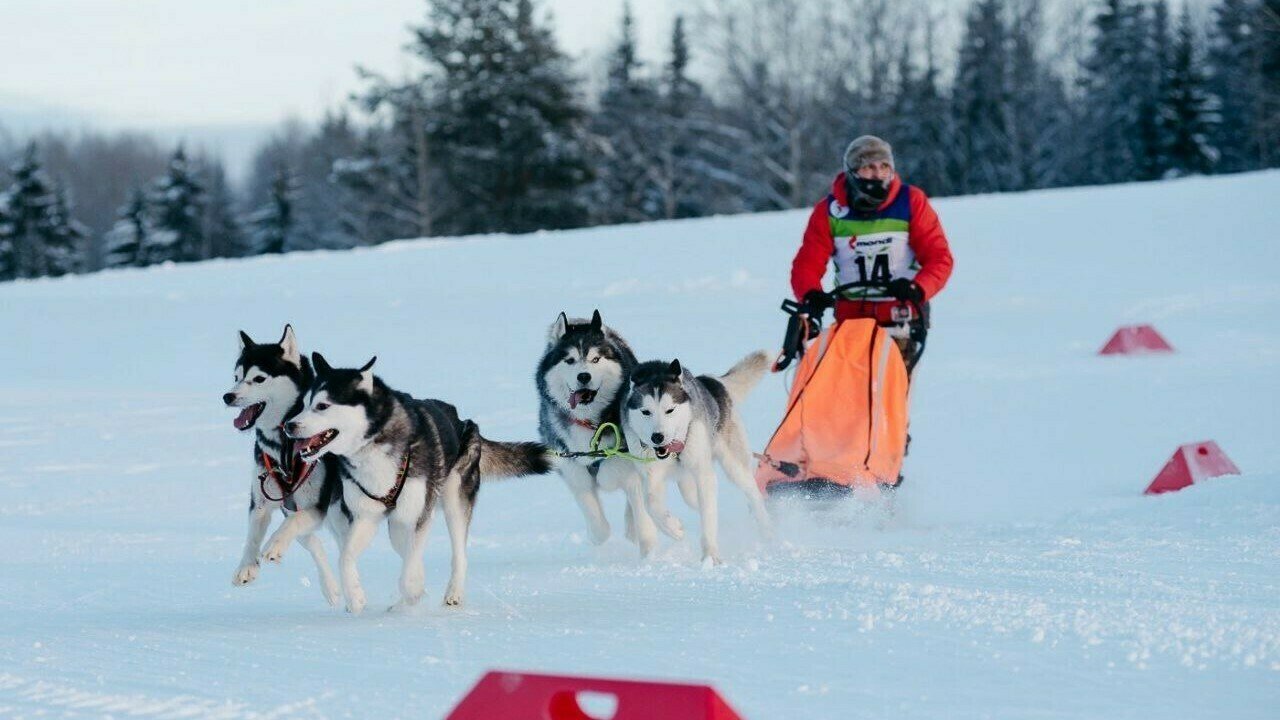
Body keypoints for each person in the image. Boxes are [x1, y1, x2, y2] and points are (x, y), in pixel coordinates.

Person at [790, 135, 954, 371]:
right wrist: (810, 295)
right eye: (868, 167)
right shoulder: (830, 212)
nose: (877, 174)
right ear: (853, 172)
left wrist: (918, 288)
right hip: (852, 320)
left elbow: (939, 257)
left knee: (888, 397)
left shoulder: (911, 202)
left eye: (884, 167)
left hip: (902, 318)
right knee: (847, 397)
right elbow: (808, 262)